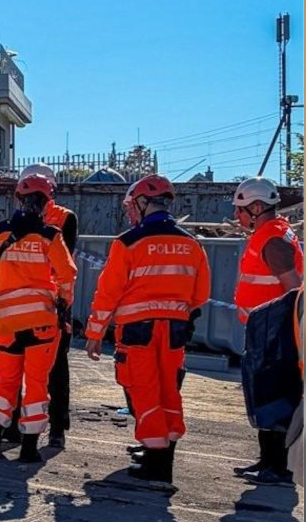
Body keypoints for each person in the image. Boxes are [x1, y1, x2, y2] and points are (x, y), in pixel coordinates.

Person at [85, 174, 210, 486]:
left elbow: (108, 294)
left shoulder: (127, 243)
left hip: (137, 334)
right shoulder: (192, 244)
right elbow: (201, 295)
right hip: (175, 332)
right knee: (169, 391)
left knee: (144, 393)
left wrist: (95, 333)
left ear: (141, 203)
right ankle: (163, 458)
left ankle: (154, 465)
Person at [0, 174, 76, 463]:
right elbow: (68, 274)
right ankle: (29, 449)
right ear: (47, 203)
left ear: (18, 199)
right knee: (38, 384)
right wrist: (64, 302)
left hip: (6, 325)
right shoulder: (51, 236)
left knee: (6, 383)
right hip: (41, 324)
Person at [230, 176, 303, 485]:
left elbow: (293, 290)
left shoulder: (272, 239)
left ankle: (278, 466)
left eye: (242, 210)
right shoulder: (272, 234)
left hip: (276, 333)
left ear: (257, 207)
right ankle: (268, 461)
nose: (238, 216)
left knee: (274, 397)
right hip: (268, 330)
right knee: (265, 395)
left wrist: (281, 329)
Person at [14, 163, 79, 449]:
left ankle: (56, 427)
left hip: (51, 302)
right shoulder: (19, 219)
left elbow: (63, 263)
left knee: (55, 367)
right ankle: (15, 426)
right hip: (22, 302)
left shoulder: (64, 218)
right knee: (16, 365)